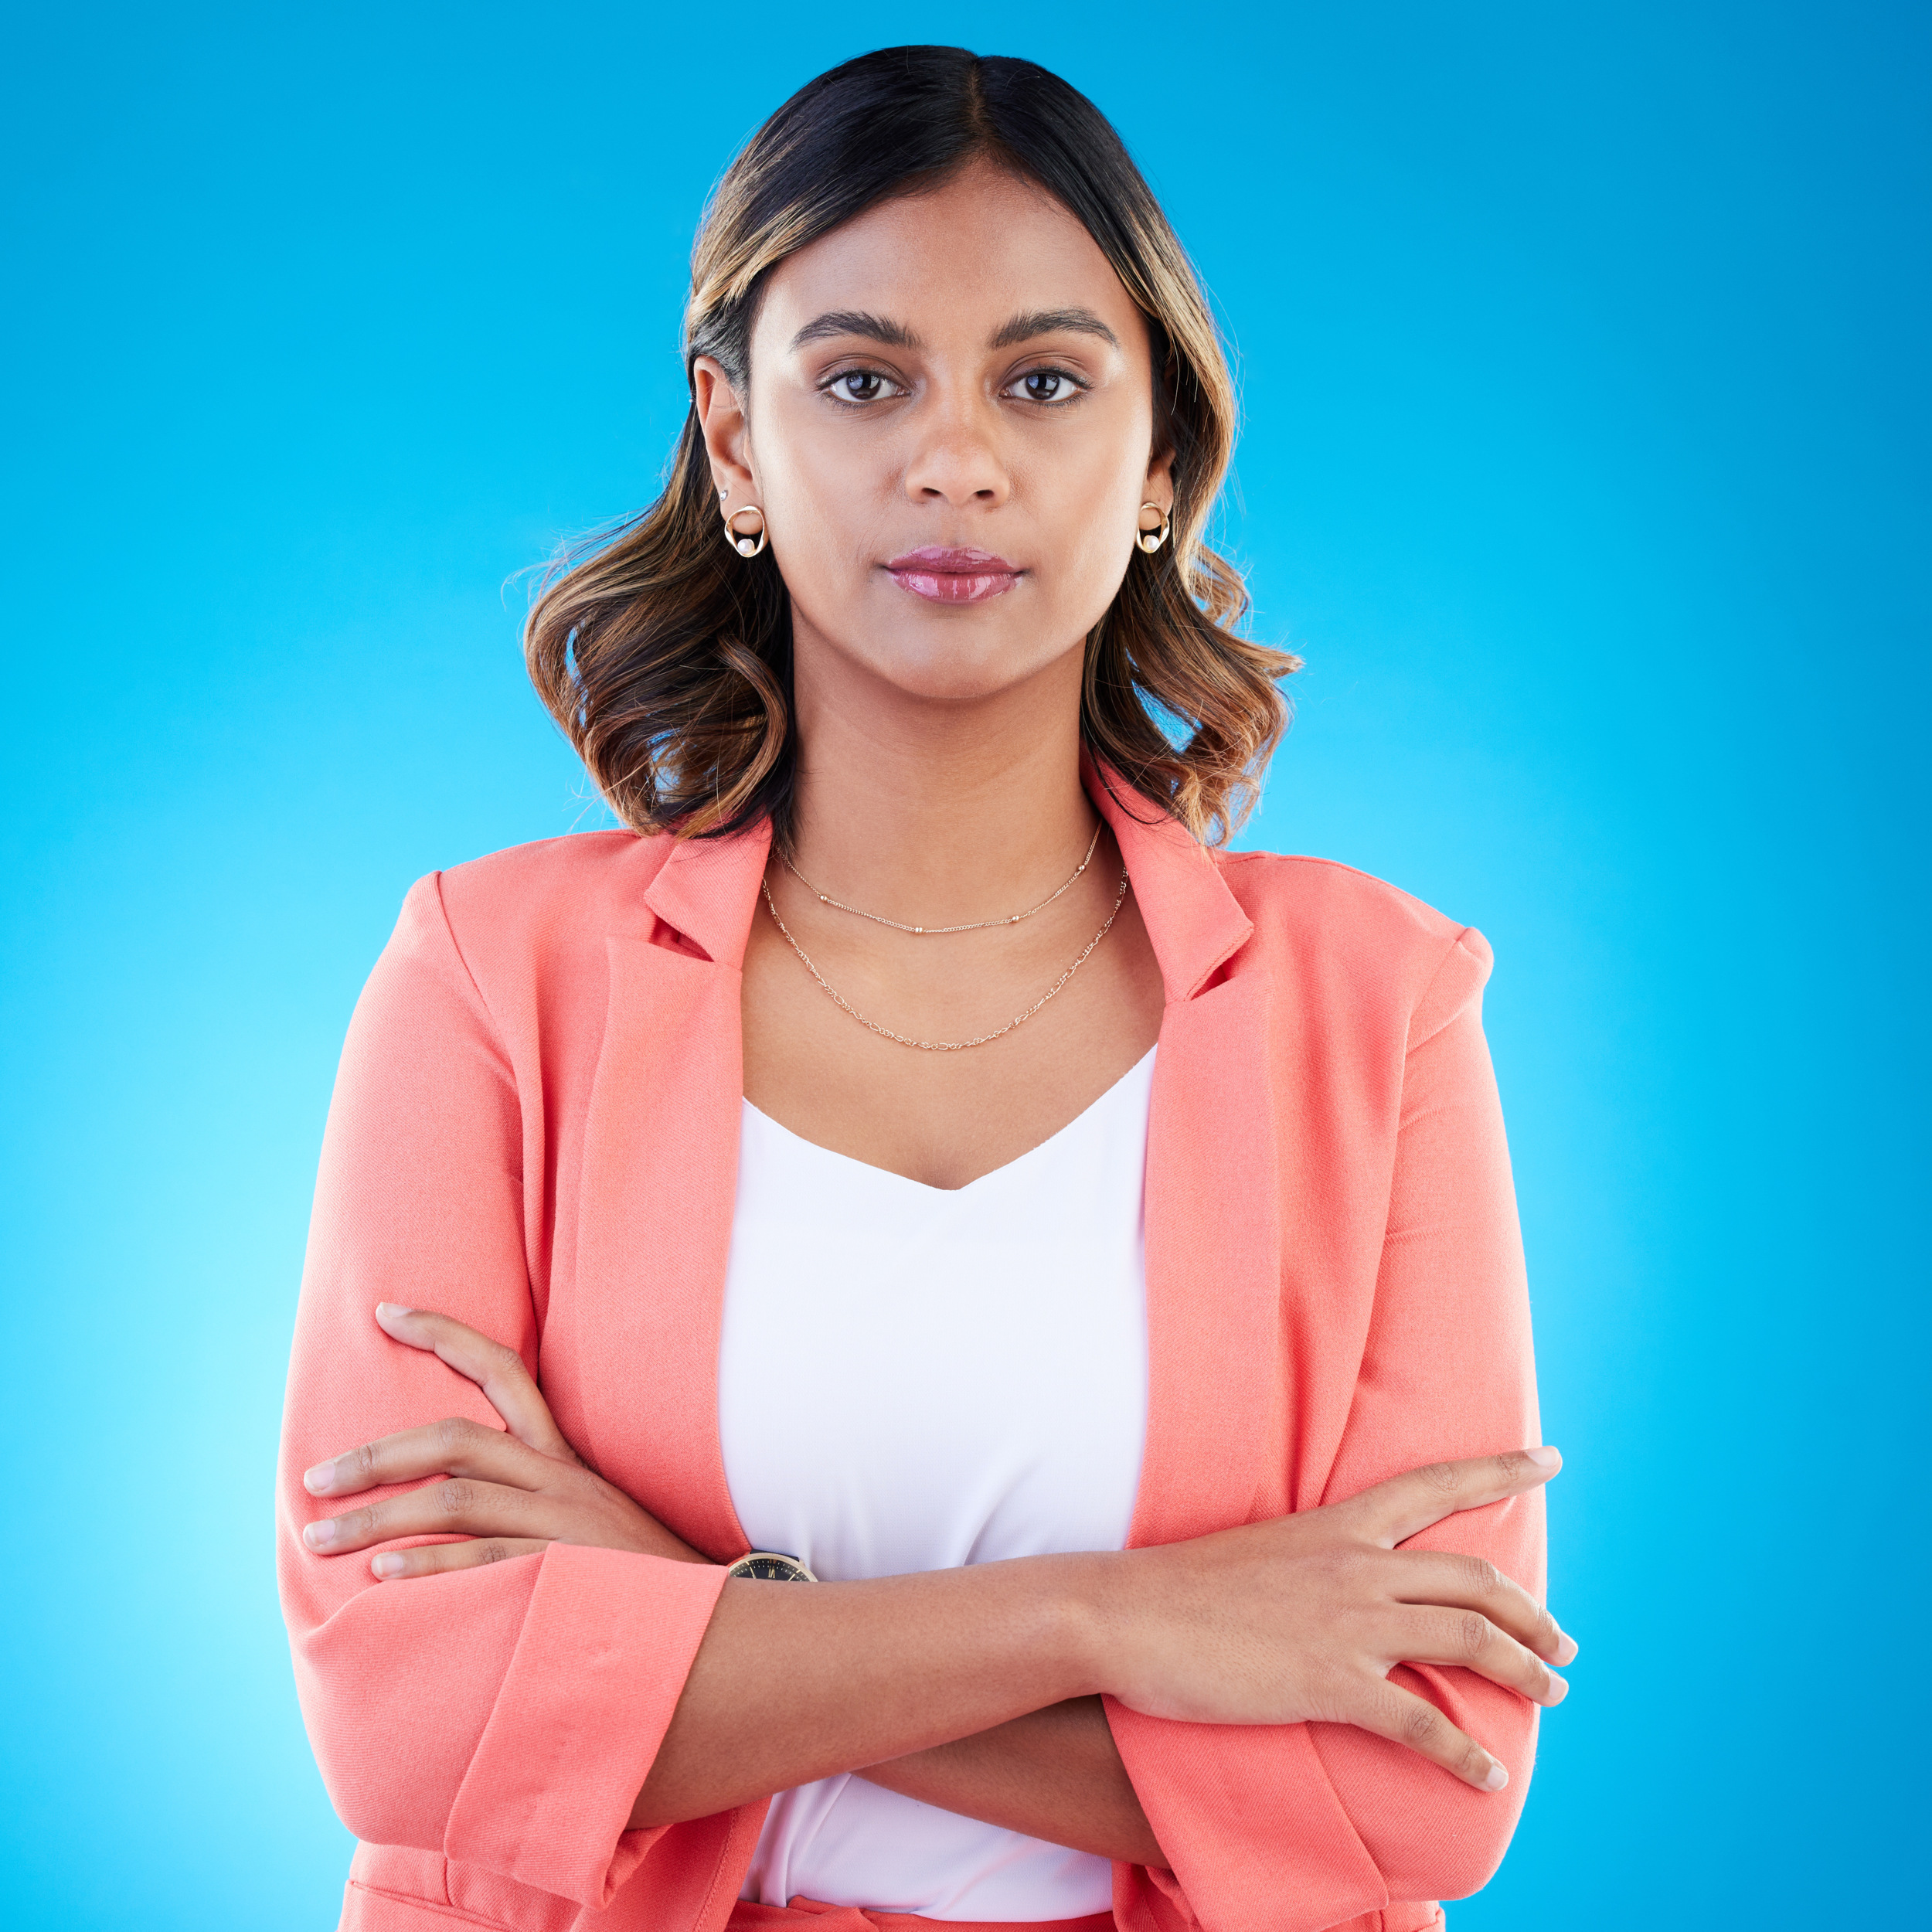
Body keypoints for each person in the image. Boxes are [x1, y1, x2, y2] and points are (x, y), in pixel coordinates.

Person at [277, 46, 1573, 1932]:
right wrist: (1112, 1620)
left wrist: (670, 1605)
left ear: (1158, 457)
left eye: (1040, 380)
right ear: (735, 439)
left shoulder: (1379, 1006)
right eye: (861, 378)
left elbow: (1409, 1789)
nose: (952, 458)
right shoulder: (491, 979)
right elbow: (416, 1722)